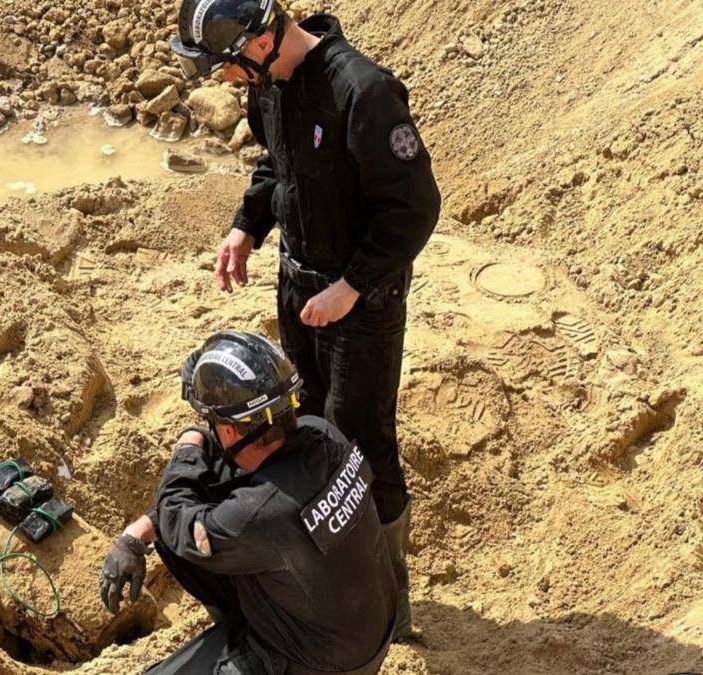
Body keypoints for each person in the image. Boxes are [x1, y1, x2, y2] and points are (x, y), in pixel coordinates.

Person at [169, 0, 442, 637]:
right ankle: (322, 576)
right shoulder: (273, 89)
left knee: (360, 443)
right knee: (304, 425)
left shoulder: (363, 91)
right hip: (298, 287)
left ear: (260, 41)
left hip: (360, 306)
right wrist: (246, 228)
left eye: (225, 66)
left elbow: (414, 206)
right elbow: (277, 166)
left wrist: (352, 287)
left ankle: (388, 603)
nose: (224, 80)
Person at [100, 331, 396, 674]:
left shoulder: (257, 516)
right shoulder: (324, 436)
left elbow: (175, 513)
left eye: (210, 420)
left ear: (229, 431)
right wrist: (138, 533)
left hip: (321, 664)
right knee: (196, 515)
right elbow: (198, 503)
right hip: (363, 630)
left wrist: (190, 441)